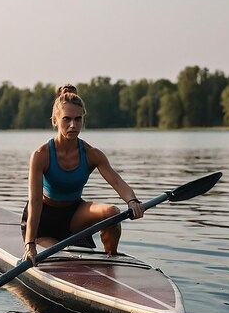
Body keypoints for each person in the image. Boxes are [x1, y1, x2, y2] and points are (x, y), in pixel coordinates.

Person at [21, 84, 144, 265]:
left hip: (74, 215)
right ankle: (49, 246)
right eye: (67, 119)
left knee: (112, 212)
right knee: (63, 255)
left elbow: (117, 182)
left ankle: (112, 260)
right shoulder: (41, 155)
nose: (73, 125)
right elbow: (35, 201)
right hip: (44, 221)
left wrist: (132, 201)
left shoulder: (91, 153)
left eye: (78, 119)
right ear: (55, 120)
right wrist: (30, 245)